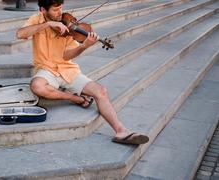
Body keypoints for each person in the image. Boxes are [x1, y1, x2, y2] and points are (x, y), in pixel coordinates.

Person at [16, 0, 149, 145]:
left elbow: (66, 56)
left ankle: (121, 131)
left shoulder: (68, 24)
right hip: (46, 69)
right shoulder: (37, 20)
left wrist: (84, 46)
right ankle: (75, 98)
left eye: (61, 8)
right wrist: (48, 24)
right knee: (37, 86)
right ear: (43, 10)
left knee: (101, 91)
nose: (60, 13)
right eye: (55, 10)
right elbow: (20, 34)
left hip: (67, 69)